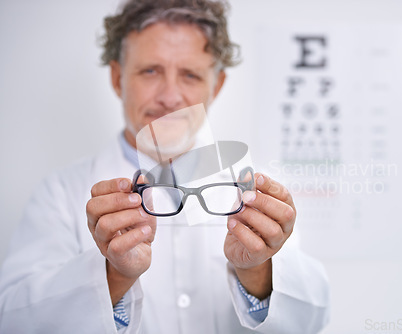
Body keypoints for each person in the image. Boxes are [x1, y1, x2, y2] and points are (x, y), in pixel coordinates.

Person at [0, 0, 330, 333]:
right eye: (150, 71)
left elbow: (310, 321)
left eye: (190, 75)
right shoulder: (60, 194)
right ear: (117, 78)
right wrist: (114, 276)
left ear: (215, 86)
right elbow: (13, 318)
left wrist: (257, 272)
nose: (170, 97)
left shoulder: (257, 193)